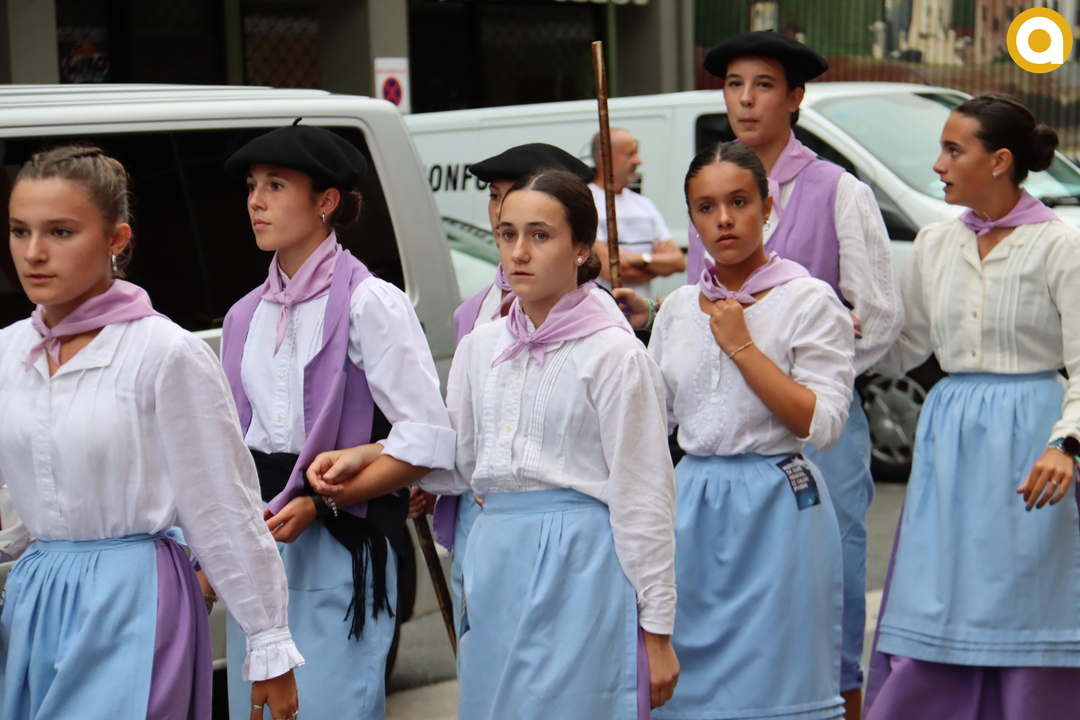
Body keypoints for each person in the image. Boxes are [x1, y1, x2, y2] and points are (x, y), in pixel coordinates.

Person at [307, 169, 680, 720]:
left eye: (540, 235)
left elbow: (645, 497)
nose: (519, 252)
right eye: (508, 234)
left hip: (582, 562)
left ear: (582, 248)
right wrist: (370, 454)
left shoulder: (615, 355)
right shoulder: (481, 346)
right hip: (495, 556)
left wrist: (657, 629)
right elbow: (456, 460)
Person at [0, 146, 301, 720]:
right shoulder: (6, 352)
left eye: (60, 231)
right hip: (35, 599)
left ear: (116, 239)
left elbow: (221, 506)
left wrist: (268, 642)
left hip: (134, 598)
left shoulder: (164, 353)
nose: (33, 252)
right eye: (20, 231)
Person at [671, 32, 902, 717]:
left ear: (795, 98)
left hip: (804, 428)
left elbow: (880, 315)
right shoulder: (712, 181)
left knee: (826, 584)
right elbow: (694, 313)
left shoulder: (838, 189)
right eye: (733, 85)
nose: (745, 100)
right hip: (716, 444)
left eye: (764, 85)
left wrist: (796, 365)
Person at [218, 123, 456, 720]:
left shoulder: (370, 302)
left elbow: (426, 440)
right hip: (259, 543)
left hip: (340, 538)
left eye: (276, 186)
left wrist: (321, 503)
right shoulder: (244, 314)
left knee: (330, 706)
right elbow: (229, 450)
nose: (255, 201)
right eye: (251, 186)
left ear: (325, 201)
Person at [863, 94, 1080, 720]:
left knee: (1027, 591)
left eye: (954, 150)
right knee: (939, 588)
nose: (939, 164)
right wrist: (819, 334)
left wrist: (1066, 444)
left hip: (1033, 437)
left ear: (999, 161)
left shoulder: (1060, 247)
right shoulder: (934, 244)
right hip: (950, 436)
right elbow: (902, 347)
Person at [649, 141, 853, 720]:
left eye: (739, 202)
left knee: (776, 680)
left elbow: (822, 423)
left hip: (777, 506)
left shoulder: (809, 299)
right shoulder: (678, 308)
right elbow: (650, 423)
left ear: (769, 205)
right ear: (692, 219)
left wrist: (742, 347)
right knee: (685, 684)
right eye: (706, 207)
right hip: (690, 506)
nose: (724, 219)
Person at [435, 142, 629, 630]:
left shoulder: (603, 332)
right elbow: (458, 436)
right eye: (496, 199)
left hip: (569, 536)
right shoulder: (475, 320)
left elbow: (633, 477)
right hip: (487, 522)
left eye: (538, 230)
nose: (502, 210)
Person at [589, 129, 686, 298]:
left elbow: (678, 263)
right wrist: (656, 265)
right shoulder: (587, 203)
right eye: (630, 154)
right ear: (604, 157)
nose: (638, 161)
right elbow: (608, 269)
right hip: (603, 310)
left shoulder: (644, 205)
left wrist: (638, 259)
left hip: (642, 312)